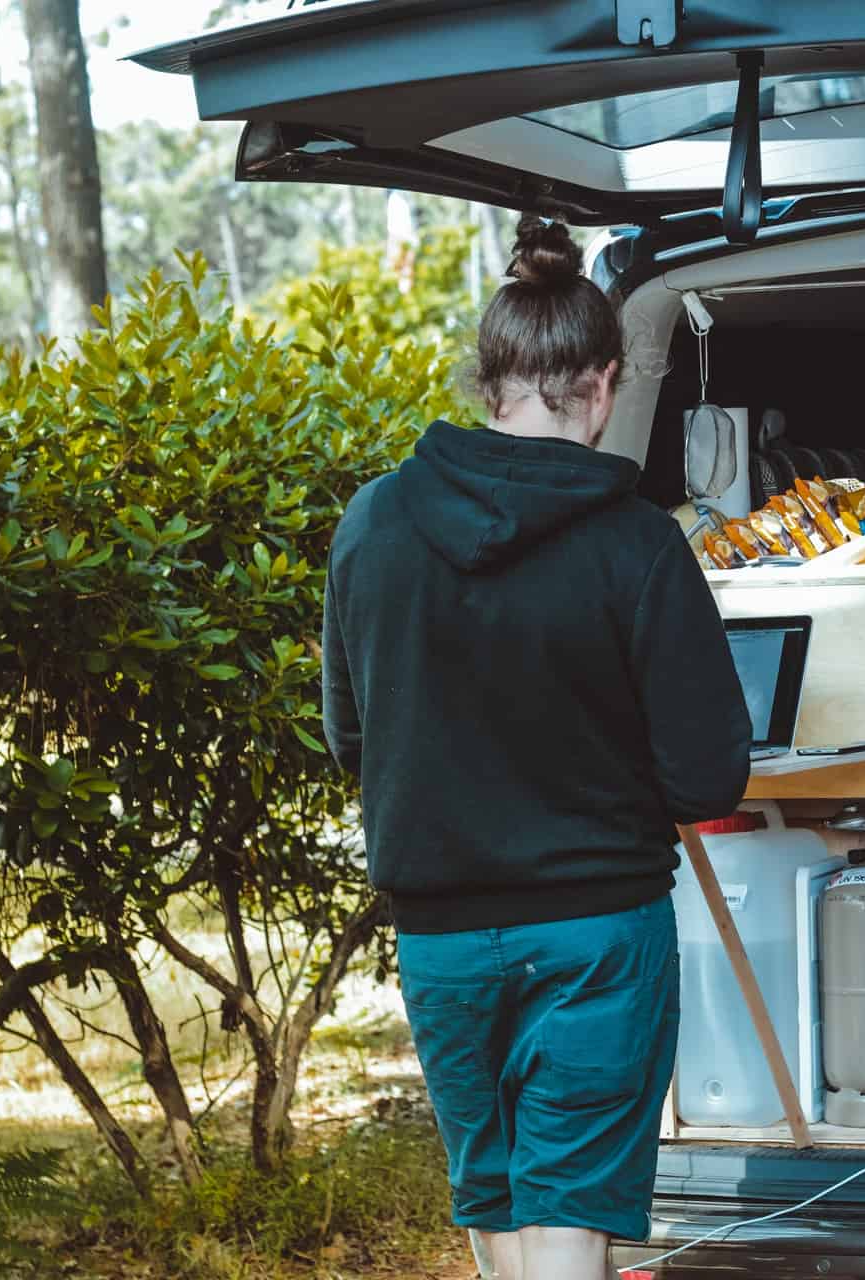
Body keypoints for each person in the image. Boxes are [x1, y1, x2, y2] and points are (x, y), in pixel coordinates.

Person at [322, 216, 751, 1280]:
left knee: (502, 1203)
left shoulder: (373, 523)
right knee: (565, 1213)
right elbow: (706, 776)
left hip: (441, 937)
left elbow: (349, 736)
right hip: (595, 932)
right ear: (601, 386)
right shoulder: (639, 543)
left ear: (489, 382)